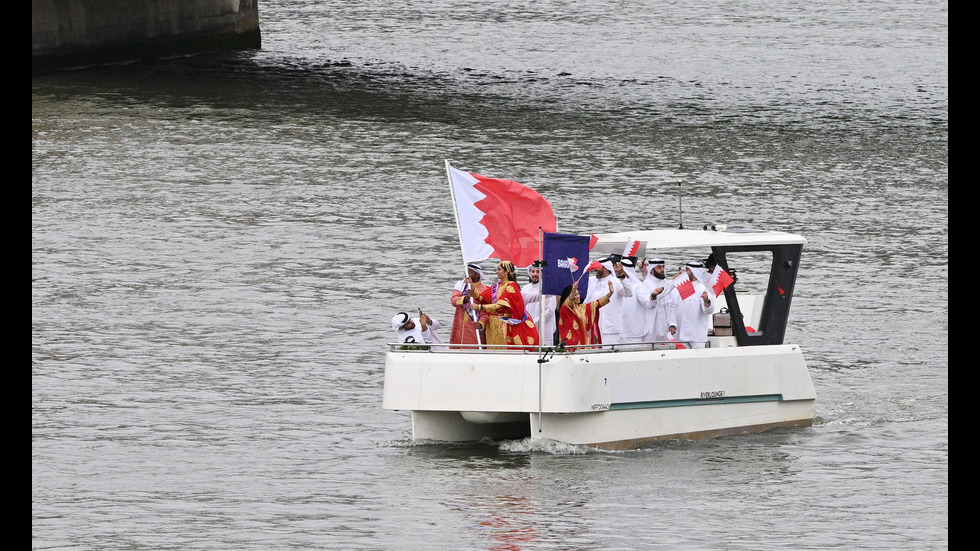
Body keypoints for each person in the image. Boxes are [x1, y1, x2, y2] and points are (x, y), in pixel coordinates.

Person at [467, 260, 540, 350]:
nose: (497, 272)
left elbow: (500, 305)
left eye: (499, 269)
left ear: (506, 272)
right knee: (492, 350)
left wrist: (480, 307)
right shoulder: (496, 286)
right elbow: (482, 298)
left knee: (504, 351)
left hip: (504, 325)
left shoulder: (512, 286)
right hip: (492, 326)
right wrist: (473, 290)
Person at [585, 256, 631, 345]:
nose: (595, 270)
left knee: (608, 355)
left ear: (605, 269)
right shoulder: (591, 281)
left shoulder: (616, 282)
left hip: (610, 329)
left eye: (597, 267)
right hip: (592, 326)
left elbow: (629, 293)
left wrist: (622, 277)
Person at [670, 261, 715, 349]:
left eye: (687, 271)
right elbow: (672, 306)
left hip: (696, 336)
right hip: (679, 335)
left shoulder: (703, 289)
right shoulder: (680, 287)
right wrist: (672, 324)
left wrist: (707, 301)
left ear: (693, 272)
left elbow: (709, 310)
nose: (685, 273)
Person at [557, 279, 614, 347]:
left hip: (584, 344)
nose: (578, 296)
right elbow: (569, 301)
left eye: (578, 293)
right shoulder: (566, 308)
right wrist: (573, 290)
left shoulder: (583, 307)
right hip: (570, 346)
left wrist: (610, 293)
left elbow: (597, 303)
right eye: (575, 295)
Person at [450, 263, 489, 346]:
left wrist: (481, 323)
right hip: (460, 324)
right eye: (466, 272)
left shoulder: (485, 290)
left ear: (477, 275)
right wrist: (466, 298)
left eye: (470, 272)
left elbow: (486, 312)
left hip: (474, 326)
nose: (467, 274)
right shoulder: (461, 287)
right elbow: (453, 300)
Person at [521, 264, 557, 346]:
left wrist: (534, 323)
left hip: (544, 328)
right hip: (527, 327)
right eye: (533, 271)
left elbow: (550, 311)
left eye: (538, 272)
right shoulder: (525, 288)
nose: (535, 274)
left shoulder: (548, 289)